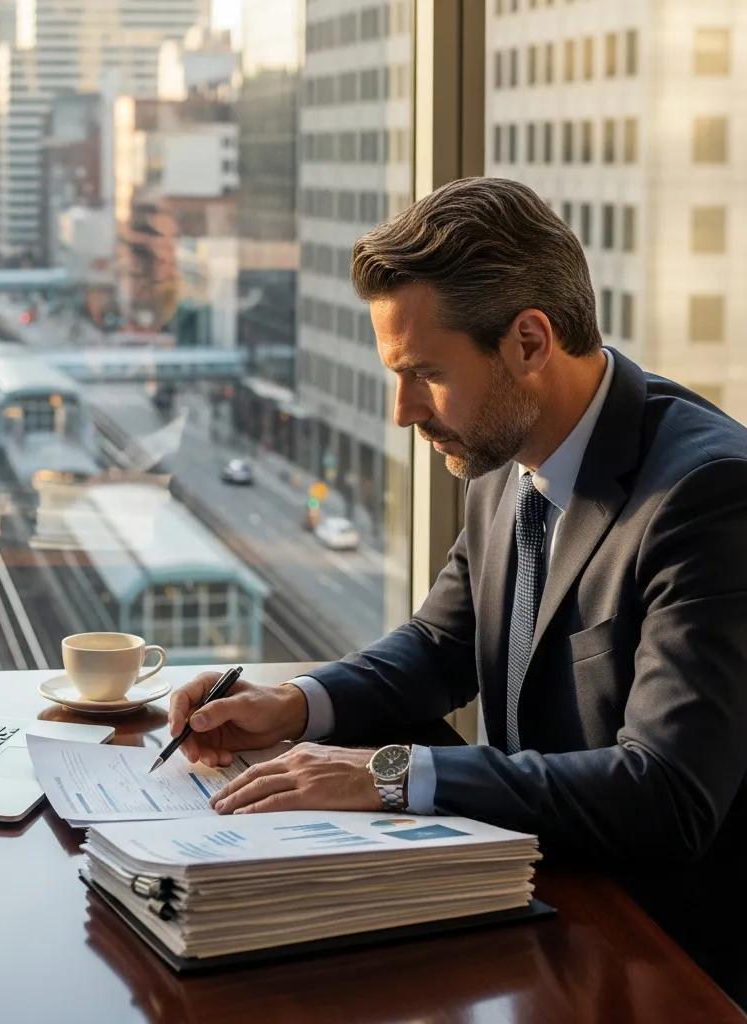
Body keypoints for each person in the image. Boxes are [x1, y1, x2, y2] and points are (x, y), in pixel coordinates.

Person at [168, 176, 747, 998]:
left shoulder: (707, 495)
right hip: (534, 901)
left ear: (529, 343)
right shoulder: (505, 455)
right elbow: (440, 644)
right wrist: (293, 704)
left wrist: (390, 773)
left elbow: (666, 795)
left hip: (657, 959)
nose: (403, 411)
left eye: (424, 373)